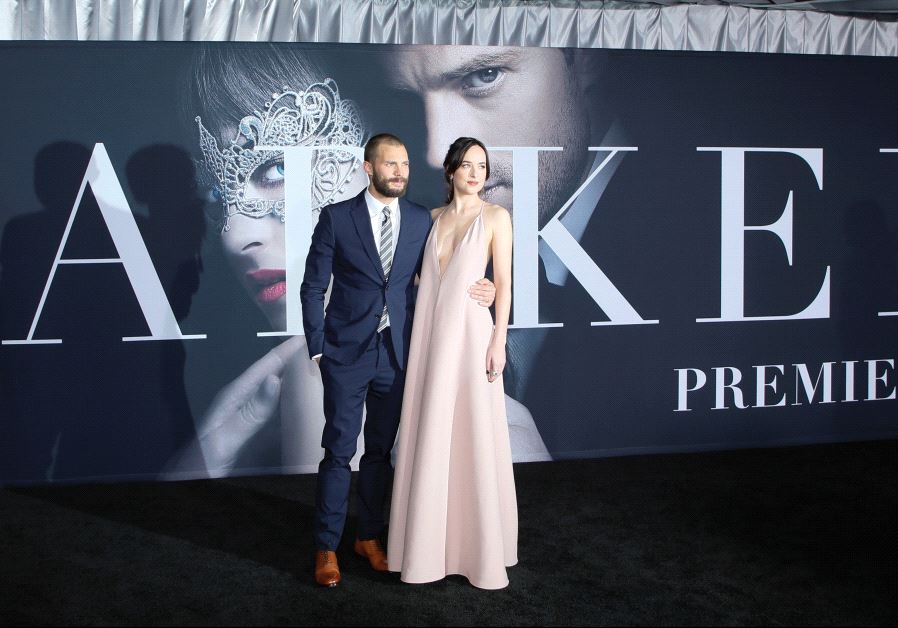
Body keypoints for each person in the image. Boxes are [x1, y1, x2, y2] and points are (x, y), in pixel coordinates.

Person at [300, 133, 499, 587]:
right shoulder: (336, 218)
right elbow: (313, 287)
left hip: (399, 354)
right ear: (369, 168)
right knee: (338, 452)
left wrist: (485, 289)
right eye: (390, 165)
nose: (400, 173)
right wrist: (318, 347)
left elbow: (442, 273)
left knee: (380, 454)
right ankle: (326, 546)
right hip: (346, 354)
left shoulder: (419, 220)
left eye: (405, 165)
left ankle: (368, 538)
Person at [388, 137, 517, 589]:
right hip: (429, 338)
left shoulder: (497, 218)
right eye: (467, 164)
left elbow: (504, 283)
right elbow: (413, 277)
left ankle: (478, 550)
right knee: (432, 433)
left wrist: (498, 338)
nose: (476, 172)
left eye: (482, 165)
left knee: (472, 435)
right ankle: (426, 549)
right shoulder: (429, 219)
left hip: (471, 339)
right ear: (450, 171)